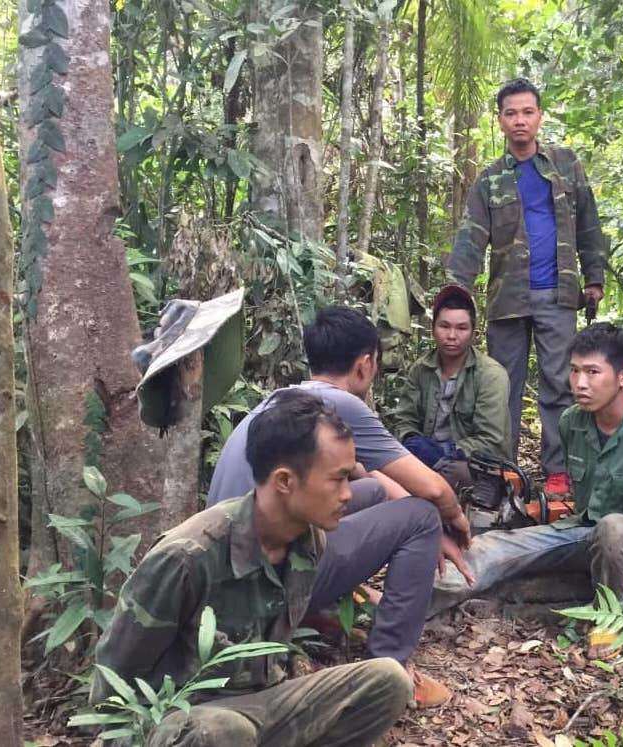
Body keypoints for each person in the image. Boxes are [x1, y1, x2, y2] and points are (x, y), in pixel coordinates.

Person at [91, 390, 412, 746]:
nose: (349, 493)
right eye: (337, 479)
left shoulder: (308, 542)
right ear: (285, 481)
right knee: (223, 731)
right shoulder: (187, 557)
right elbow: (111, 691)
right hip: (184, 721)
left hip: (259, 709)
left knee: (387, 680)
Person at [208, 306, 476, 704]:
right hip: (268, 581)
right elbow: (434, 490)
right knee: (421, 518)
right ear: (366, 364)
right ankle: (390, 667)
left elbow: (375, 479)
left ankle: (317, 611)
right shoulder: (341, 406)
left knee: (369, 491)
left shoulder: (285, 399)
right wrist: (452, 521)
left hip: (232, 564)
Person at [430, 323, 623, 615]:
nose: (579, 383)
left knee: (614, 529)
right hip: (582, 533)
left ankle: (612, 626)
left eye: (592, 372)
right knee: (490, 546)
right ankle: (410, 602)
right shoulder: (572, 422)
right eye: (574, 370)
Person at [447, 77, 608, 497]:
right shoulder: (490, 180)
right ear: (499, 121)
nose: (519, 121)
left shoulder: (566, 165)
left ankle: (558, 472)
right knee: (502, 389)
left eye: (527, 112)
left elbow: (589, 223)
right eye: (510, 113)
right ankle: (503, 472)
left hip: (558, 295)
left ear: (539, 116)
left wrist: (594, 278)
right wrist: (455, 291)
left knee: (560, 384)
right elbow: (471, 236)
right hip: (507, 301)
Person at [394, 284, 511, 498]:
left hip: (472, 465)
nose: (451, 335)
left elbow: (492, 440)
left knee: (449, 474)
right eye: (444, 326)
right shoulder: (420, 370)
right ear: (433, 329)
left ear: (473, 333)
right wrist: (412, 440)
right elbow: (404, 420)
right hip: (425, 458)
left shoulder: (491, 375)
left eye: (461, 328)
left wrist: (448, 451)